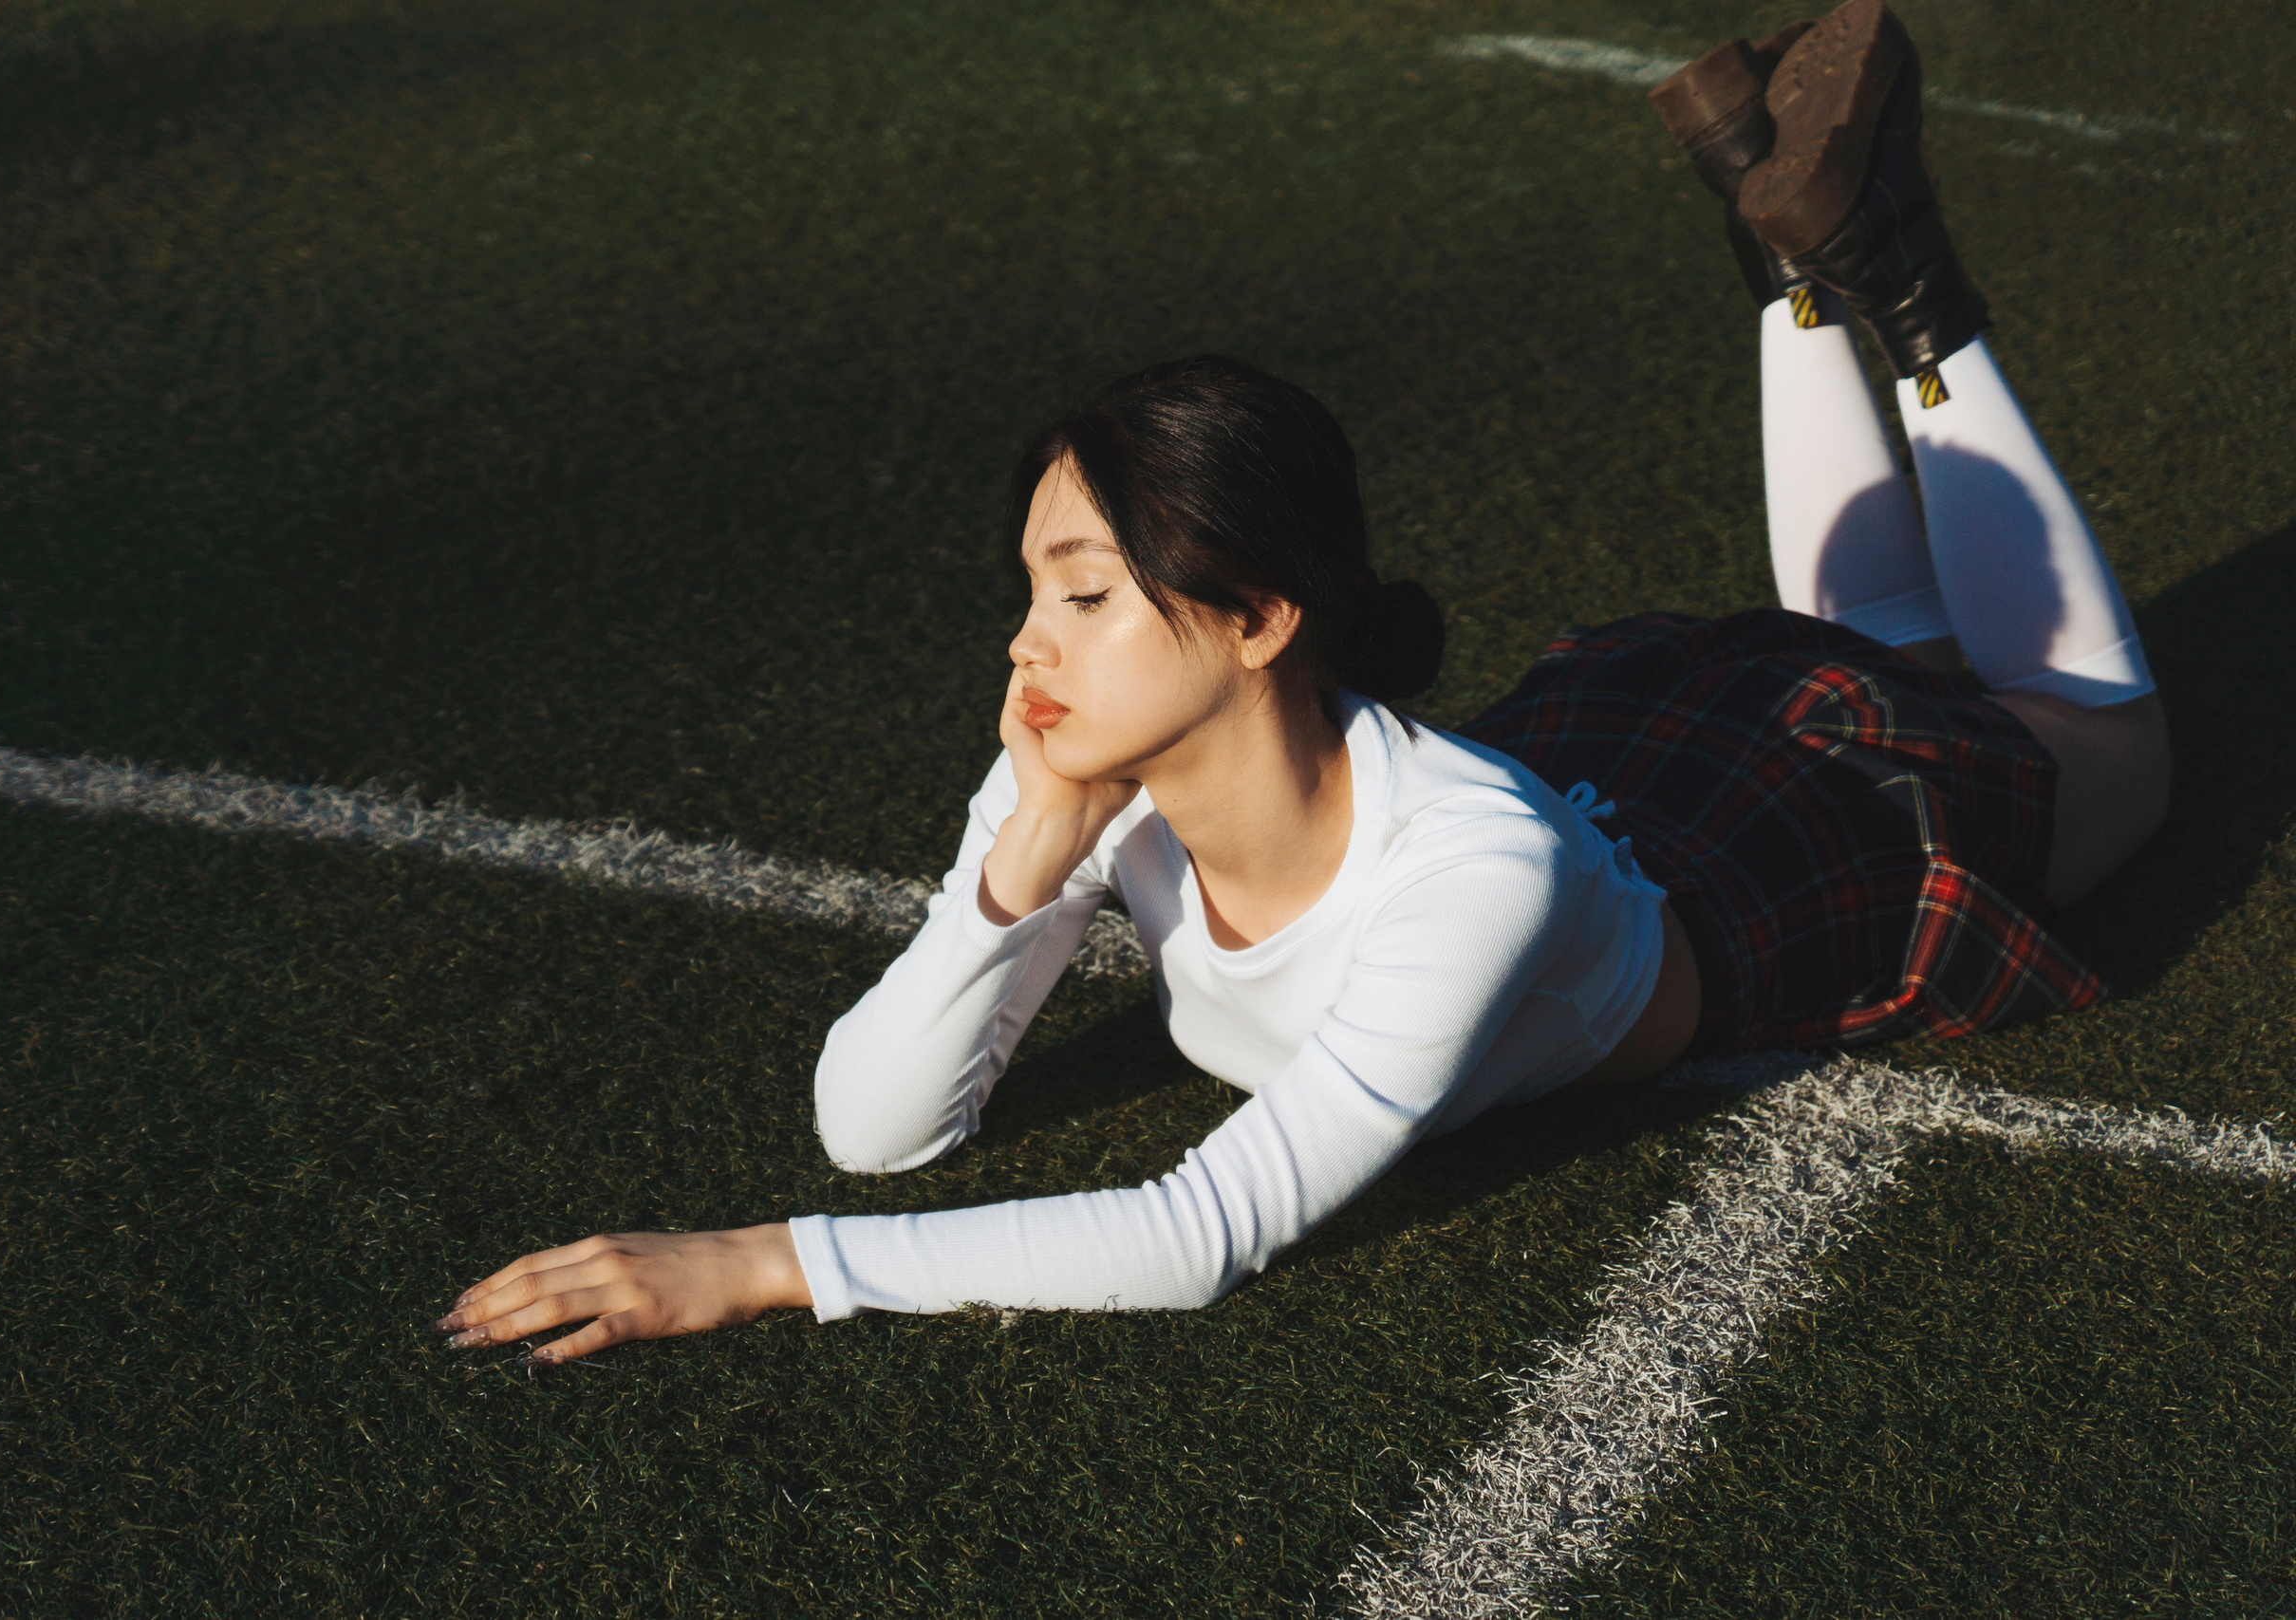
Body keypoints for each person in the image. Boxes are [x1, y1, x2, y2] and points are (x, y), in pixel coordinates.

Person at [433, 0, 2168, 1361]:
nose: (1030, 643)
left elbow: (1194, 1236)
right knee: (1877, 645)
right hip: (1600, 780)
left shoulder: (1473, 871)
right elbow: (872, 1130)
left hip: (1765, 880)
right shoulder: (1081, 757)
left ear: (1261, 618)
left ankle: (1907, 298)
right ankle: (1796, 269)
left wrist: (759, 1268)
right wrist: (1020, 866)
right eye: (1035, 591)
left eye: (1086, 594)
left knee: (2100, 746)